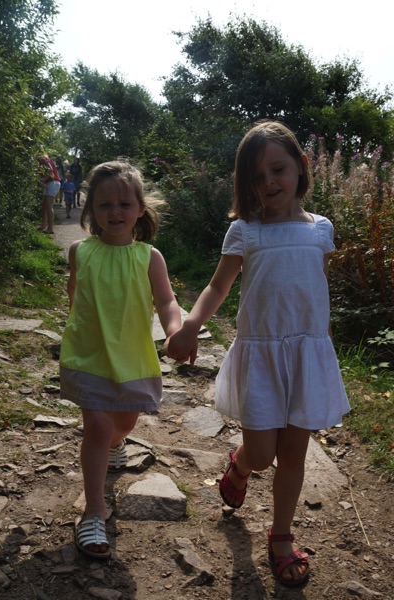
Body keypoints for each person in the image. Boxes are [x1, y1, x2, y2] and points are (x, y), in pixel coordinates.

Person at [164, 120, 350, 587]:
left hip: (307, 355)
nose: (269, 181)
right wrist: (190, 326)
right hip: (262, 356)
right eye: (257, 175)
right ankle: (241, 464)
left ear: (301, 166)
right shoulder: (246, 231)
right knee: (264, 454)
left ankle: (281, 535)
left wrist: (322, 340)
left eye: (278, 169)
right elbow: (218, 286)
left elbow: (318, 287)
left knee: (294, 454)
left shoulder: (320, 230)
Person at [59, 159, 181, 559]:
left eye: (124, 204)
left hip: (132, 358)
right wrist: (77, 324)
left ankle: (115, 443)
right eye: (105, 204)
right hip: (89, 355)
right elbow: (75, 291)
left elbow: (167, 300)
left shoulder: (149, 257)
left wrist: (175, 330)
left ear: (140, 210)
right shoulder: (80, 251)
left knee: (123, 423)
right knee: (96, 425)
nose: (115, 212)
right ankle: (94, 512)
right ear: (91, 209)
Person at [37, 155, 61, 234]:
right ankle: (43, 225)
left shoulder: (44, 158)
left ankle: (50, 228)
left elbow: (50, 170)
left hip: (53, 183)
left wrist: (43, 180)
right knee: (43, 204)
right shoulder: (42, 160)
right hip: (50, 183)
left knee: (48, 205)